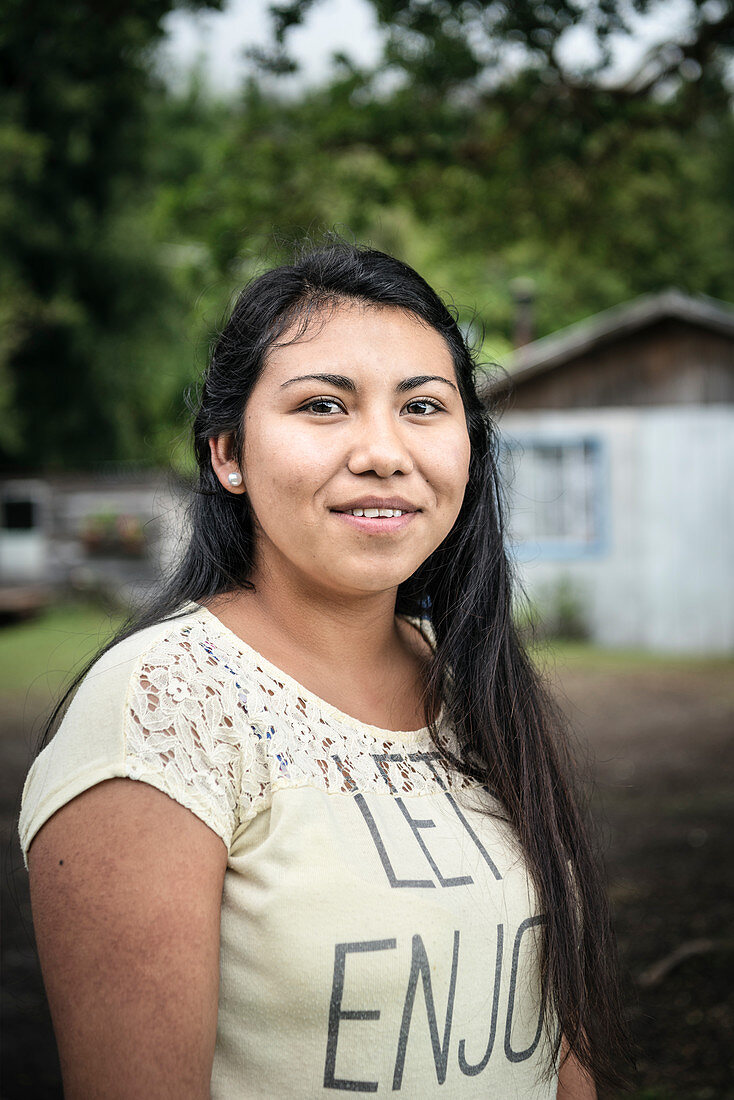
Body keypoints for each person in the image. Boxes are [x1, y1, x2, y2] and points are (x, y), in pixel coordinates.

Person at [19, 239, 628, 1098]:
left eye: (423, 407)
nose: (384, 451)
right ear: (227, 453)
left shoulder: (475, 682)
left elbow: (561, 1042)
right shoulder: (163, 706)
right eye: (323, 406)